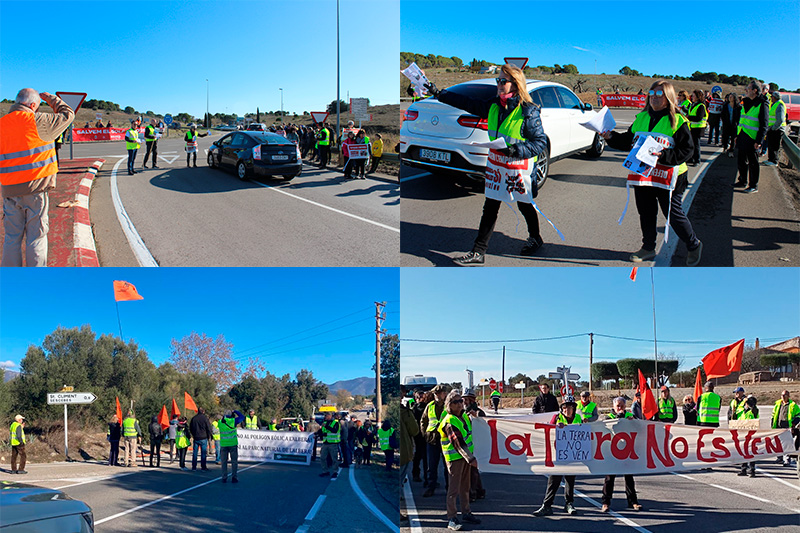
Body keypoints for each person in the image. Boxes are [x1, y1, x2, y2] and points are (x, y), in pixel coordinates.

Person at [426, 63, 548, 266]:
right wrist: (439, 93)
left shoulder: (529, 111)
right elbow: (466, 102)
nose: (499, 84)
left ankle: (535, 237)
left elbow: (540, 143)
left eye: (503, 81)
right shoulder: (493, 105)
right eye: (497, 80)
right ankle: (478, 252)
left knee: (525, 205)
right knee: (490, 207)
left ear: (516, 84)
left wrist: (515, 151)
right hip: (497, 168)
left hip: (520, 171)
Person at [602, 80, 703, 267]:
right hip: (643, 174)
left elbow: (687, 150)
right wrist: (611, 137)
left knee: (673, 215)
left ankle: (693, 244)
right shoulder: (641, 117)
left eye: (660, 94)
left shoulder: (678, 120)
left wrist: (663, 155)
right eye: (652, 93)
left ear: (669, 97)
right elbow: (627, 141)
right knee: (646, 212)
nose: (655, 97)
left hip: (670, 177)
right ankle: (648, 248)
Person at [1, 89, 74, 267]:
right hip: (36, 190)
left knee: (11, 238)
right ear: (33, 105)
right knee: (36, 237)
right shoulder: (38, 120)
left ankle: (11, 280)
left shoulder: (2, 123)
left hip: (9, 190)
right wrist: (50, 98)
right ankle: (36, 279)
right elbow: (68, 114)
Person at [533, 396, 584, 517]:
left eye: (570, 407)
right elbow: (547, 433)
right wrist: (555, 426)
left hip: (572, 456)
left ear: (574, 408)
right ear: (562, 409)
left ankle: (569, 504)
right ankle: (547, 505)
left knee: (570, 481)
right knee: (553, 481)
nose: (567, 410)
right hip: (557, 455)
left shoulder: (578, 418)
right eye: (565, 407)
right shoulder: (556, 418)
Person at [439, 390, 481, 531]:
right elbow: (458, 442)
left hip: (465, 459)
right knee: (453, 490)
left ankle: (466, 512)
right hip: (455, 459)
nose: (459, 404)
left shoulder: (463, 416)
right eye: (455, 402)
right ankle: (451, 517)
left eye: (460, 401)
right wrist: (471, 458)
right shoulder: (449, 421)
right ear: (449, 405)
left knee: (465, 487)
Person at [601, 397, 642, 512]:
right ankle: (605, 502)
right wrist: (617, 420)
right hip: (612, 451)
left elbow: (641, 428)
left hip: (626, 451)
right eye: (618, 406)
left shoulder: (630, 416)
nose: (620, 408)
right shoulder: (609, 417)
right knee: (609, 478)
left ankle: (633, 501)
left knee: (629, 477)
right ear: (613, 407)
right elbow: (604, 429)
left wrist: (633, 420)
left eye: (622, 406)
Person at [734, 80, 769, 193]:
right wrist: (737, 135)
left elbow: (764, 124)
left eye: (748, 89)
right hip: (742, 135)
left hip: (753, 138)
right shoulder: (746, 102)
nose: (746, 91)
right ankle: (742, 180)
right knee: (741, 160)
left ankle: (753, 185)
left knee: (753, 163)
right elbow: (742, 119)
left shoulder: (762, 104)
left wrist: (759, 141)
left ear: (755, 90)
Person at [421, 384, 449, 497]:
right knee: (431, 466)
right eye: (435, 393)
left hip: (446, 440)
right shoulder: (430, 406)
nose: (437, 395)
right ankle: (431, 487)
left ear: (444, 394)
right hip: (432, 440)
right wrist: (425, 434)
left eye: (439, 393)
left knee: (448, 466)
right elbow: (423, 421)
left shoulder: (449, 406)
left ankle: (449, 489)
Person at [461, 389, 485, 501]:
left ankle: (473, 493)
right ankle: (480, 491)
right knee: (471, 469)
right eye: (463, 399)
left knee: (473, 470)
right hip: (468, 444)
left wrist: (476, 417)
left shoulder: (479, 412)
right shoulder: (462, 412)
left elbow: (485, 427)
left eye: (466, 399)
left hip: (476, 445)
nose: (464, 401)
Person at [771, 390, 800, 466]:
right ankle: (779, 458)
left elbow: (798, 416)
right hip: (778, 426)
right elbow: (774, 415)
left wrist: (794, 425)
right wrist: (772, 424)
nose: (783, 397)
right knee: (778, 443)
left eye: (785, 395)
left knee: (787, 443)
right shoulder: (778, 404)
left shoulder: (793, 405)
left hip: (788, 427)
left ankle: (787, 459)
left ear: (788, 396)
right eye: (782, 395)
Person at [219, 409, 244, 483]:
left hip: (223, 444)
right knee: (234, 461)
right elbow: (242, 417)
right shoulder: (233, 421)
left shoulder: (220, 422)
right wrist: (235, 411)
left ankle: (224, 477)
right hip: (232, 444)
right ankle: (234, 477)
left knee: (224, 462)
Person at [737, 396, 759, 477]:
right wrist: (743, 401)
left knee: (751, 452)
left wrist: (751, 406)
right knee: (743, 451)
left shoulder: (754, 410)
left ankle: (752, 470)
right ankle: (743, 469)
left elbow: (755, 412)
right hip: (743, 433)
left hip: (751, 434)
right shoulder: (742, 409)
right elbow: (737, 409)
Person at [412, 390, 430, 482]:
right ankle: (416, 474)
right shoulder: (414, 409)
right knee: (418, 456)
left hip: (428, 435)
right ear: (416, 399)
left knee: (427, 457)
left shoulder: (429, 408)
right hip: (418, 435)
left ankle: (428, 477)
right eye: (419, 397)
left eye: (423, 397)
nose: (421, 399)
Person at [686, 90, 707, 165]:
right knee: (692, 144)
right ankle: (692, 158)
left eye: (694, 96)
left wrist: (688, 117)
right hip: (692, 127)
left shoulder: (701, 106)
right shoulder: (693, 105)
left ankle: (697, 160)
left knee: (696, 144)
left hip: (698, 128)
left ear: (698, 97)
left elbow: (699, 118)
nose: (692, 97)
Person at [766, 91, 787, 166]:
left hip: (776, 129)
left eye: (772, 97)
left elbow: (780, 119)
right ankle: (770, 159)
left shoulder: (779, 105)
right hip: (773, 128)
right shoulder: (775, 104)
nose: (771, 98)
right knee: (771, 145)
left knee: (774, 145)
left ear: (774, 97)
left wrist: (773, 128)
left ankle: (774, 161)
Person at [189, 407, 213, 471]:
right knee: (203, 453)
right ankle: (203, 467)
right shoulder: (205, 418)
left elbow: (190, 428)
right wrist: (210, 435)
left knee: (195, 453)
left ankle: (194, 467)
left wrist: (193, 434)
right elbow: (208, 427)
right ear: (203, 411)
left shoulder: (194, 418)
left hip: (196, 437)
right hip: (203, 437)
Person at [319, 411, 341, 478]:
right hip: (325, 443)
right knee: (323, 458)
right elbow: (322, 432)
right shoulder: (324, 423)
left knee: (334, 458)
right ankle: (325, 471)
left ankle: (335, 471)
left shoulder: (336, 423)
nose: (325, 417)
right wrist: (318, 434)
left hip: (333, 443)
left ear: (330, 416)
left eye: (326, 416)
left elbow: (334, 431)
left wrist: (326, 426)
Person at [721, 93, 741, 158]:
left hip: (734, 125)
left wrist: (737, 123)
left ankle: (731, 151)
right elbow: (722, 114)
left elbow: (739, 116)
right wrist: (724, 121)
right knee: (725, 136)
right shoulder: (726, 105)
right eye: (729, 97)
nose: (730, 98)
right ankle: (725, 147)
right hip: (726, 124)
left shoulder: (738, 107)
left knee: (733, 138)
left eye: (731, 97)